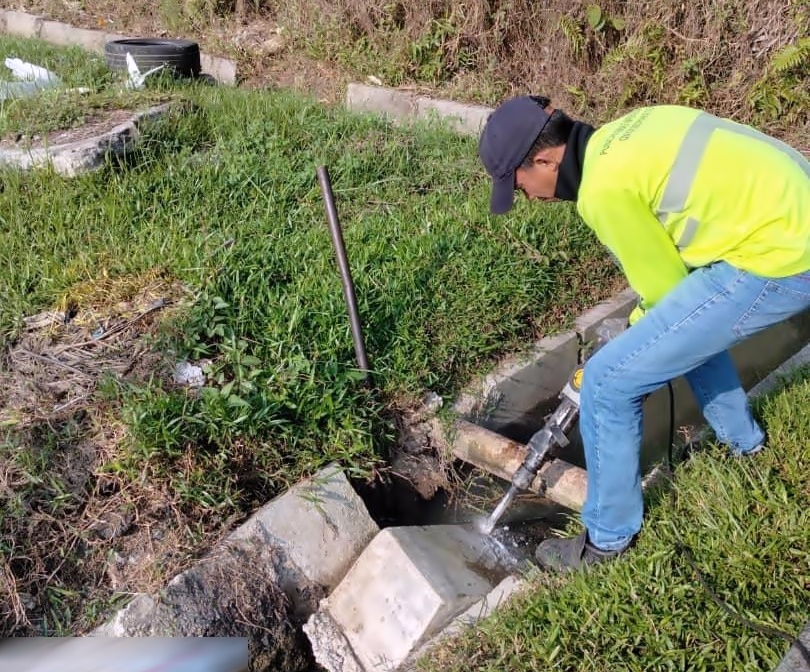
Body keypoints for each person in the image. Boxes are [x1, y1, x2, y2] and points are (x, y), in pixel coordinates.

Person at [478, 95, 810, 571]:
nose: (528, 198)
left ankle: (607, 543)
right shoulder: (630, 128)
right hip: (791, 216)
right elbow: (681, 306)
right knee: (692, 328)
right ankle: (745, 445)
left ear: (546, 160)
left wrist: (627, 340)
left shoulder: (603, 190)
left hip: (785, 257)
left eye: (520, 185)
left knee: (607, 383)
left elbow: (665, 293)